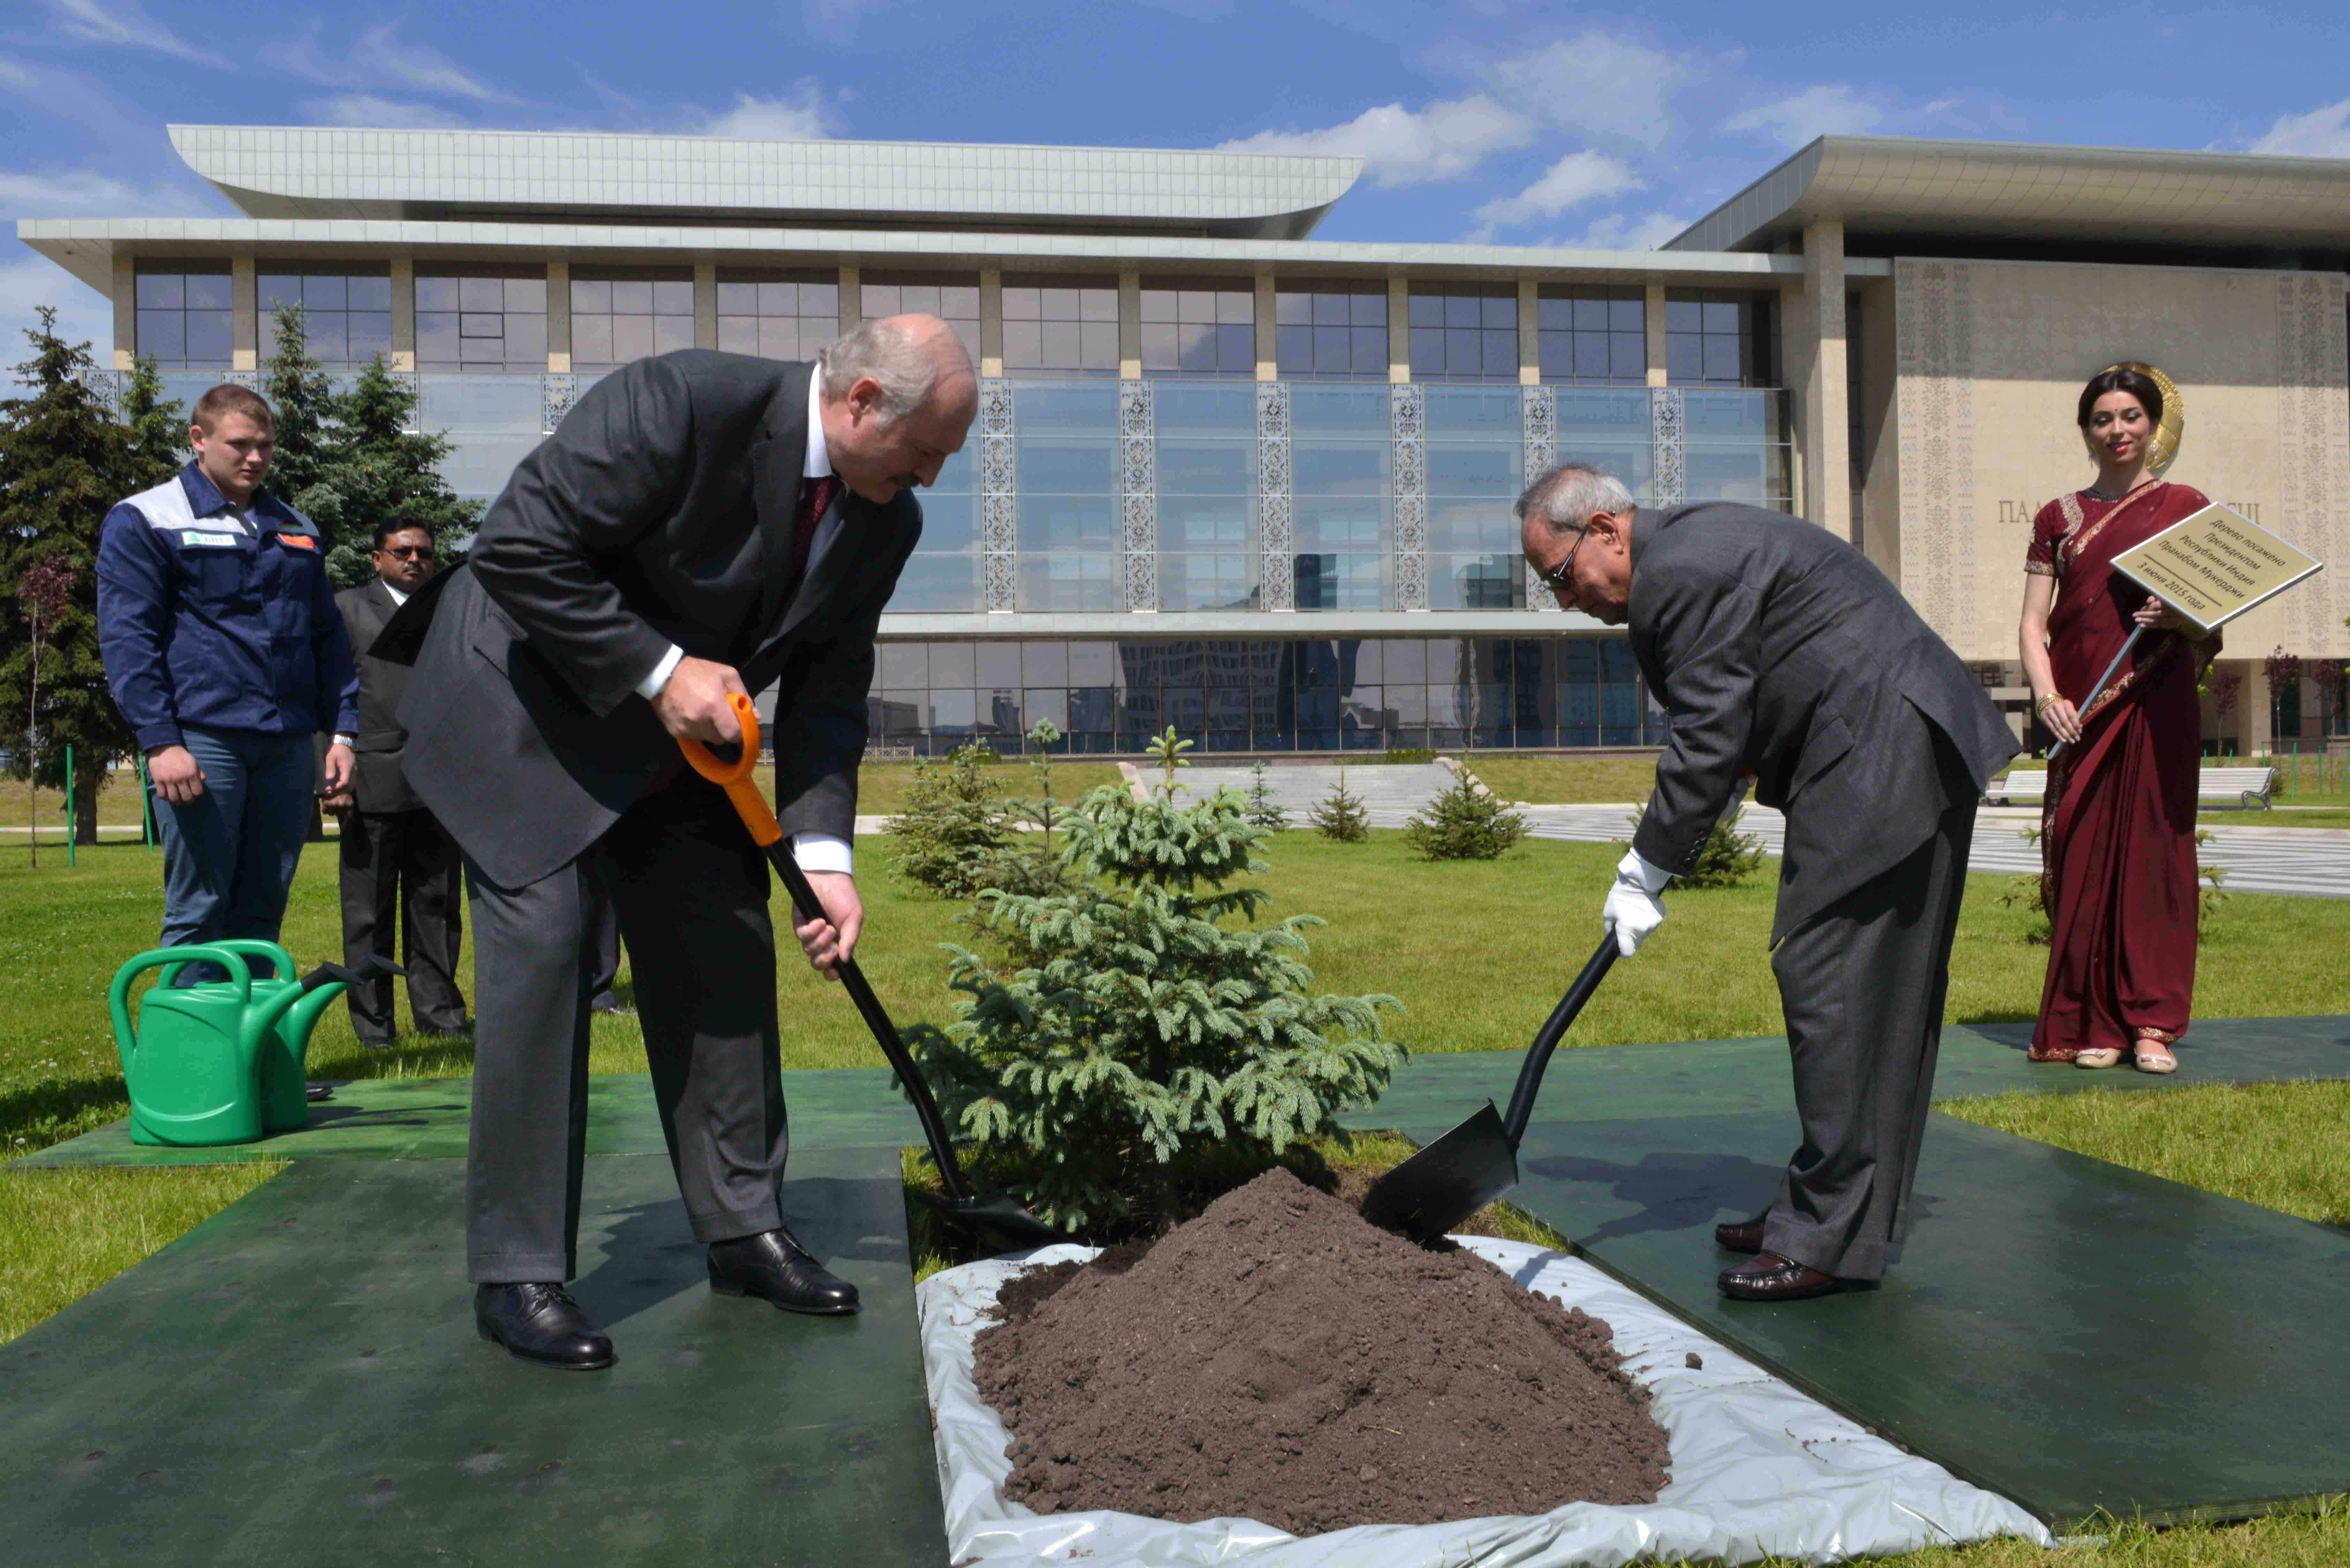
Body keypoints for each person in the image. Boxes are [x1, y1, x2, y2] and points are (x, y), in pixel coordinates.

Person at [387, 319, 977, 1370]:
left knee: (724, 939)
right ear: (861, 403)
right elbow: (519, 543)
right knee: (549, 947)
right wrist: (662, 671)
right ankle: (518, 1272)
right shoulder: (681, 403)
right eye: (926, 447)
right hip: (524, 696)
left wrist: (826, 857)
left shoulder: (888, 519)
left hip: (678, 738)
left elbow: (833, 687)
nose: (933, 473)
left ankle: (744, 1228)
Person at [1520, 464, 2017, 1303]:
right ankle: (1824, 1208)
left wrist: (1643, 869)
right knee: (1862, 991)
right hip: (1881, 745)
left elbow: (1708, 735)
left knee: (1832, 978)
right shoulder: (1686, 552)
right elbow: (1743, 706)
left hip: (1884, 750)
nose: (1567, 602)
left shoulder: (1674, 571)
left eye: (1562, 577)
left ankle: (1828, 1235)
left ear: (1605, 530)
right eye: (1549, 590)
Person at [96, 384, 360, 975]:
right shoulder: (146, 518)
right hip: (202, 740)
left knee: (263, 915)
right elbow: (127, 640)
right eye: (239, 445)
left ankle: (254, 1065)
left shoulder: (296, 528)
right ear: (198, 440)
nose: (255, 459)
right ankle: (195, 1065)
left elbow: (327, 638)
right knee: (199, 910)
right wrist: (161, 742)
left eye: (265, 446)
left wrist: (342, 735)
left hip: (288, 743)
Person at [2018, 368, 2217, 1073]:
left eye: (2130, 416)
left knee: (2154, 863)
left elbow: (2211, 618)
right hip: (2082, 711)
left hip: (2158, 705)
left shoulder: (2185, 506)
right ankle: (2089, 1021)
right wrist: (2046, 698)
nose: (2117, 430)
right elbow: (2031, 624)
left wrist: (2180, 616)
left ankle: (2151, 1024)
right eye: (2102, 418)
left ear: (2152, 424)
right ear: (2085, 430)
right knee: (2083, 861)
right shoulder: (2057, 517)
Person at [325, 518, 468, 1044]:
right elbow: (328, 689)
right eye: (402, 551)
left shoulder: (448, 609)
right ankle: (373, 1027)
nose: (415, 560)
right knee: (369, 913)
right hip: (370, 777)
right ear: (377, 558)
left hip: (438, 780)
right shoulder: (347, 608)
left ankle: (441, 1017)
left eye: (425, 553)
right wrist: (333, 772)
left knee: (437, 906)